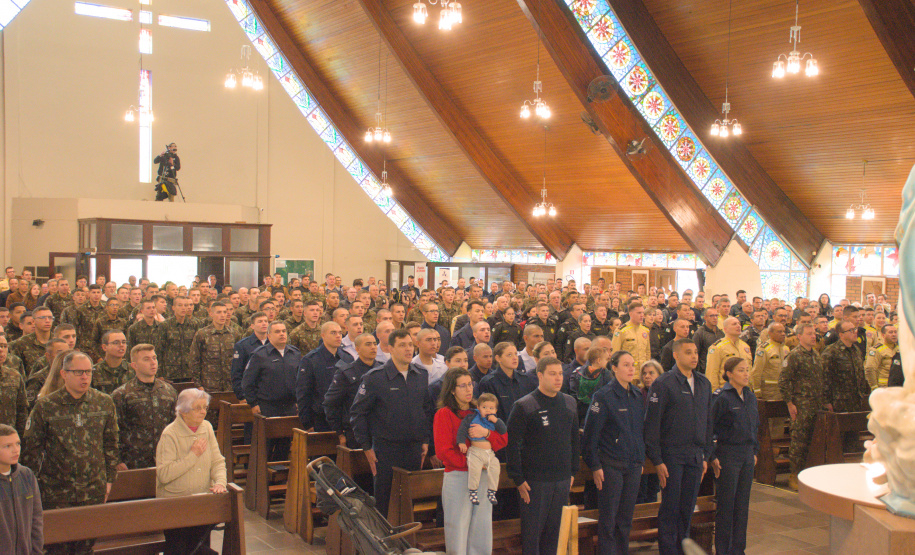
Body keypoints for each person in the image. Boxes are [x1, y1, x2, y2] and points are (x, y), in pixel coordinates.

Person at [21, 351, 118, 555]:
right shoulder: (46, 405)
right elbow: (32, 450)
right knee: (58, 547)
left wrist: (109, 479)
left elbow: (110, 444)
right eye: (79, 372)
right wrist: (35, 487)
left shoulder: (104, 402)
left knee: (87, 545)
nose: (85, 377)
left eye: (88, 372)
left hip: (93, 488)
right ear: (64, 374)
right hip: (57, 491)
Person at [350, 328, 434, 519]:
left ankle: (405, 540)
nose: (408, 349)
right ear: (390, 348)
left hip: (413, 446)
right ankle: (382, 541)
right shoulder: (375, 377)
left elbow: (425, 409)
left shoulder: (420, 374)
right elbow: (358, 413)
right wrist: (366, 446)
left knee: (409, 499)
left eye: (410, 345)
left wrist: (425, 439)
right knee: (384, 499)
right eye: (402, 345)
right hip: (386, 448)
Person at [644, 338, 713, 555]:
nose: (694, 356)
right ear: (676, 355)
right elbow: (652, 424)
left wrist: (705, 456)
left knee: (687, 509)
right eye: (688, 352)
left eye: (695, 352)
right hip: (672, 454)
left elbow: (708, 421)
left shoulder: (703, 383)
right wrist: (657, 459)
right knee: (671, 509)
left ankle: (682, 548)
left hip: (695, 454)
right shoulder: (664, 383)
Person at [506, 356, 579, 555]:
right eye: (552, 374)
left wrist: (573, 471)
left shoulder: (570, 403)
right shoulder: (525, 406)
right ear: (540, 375)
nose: (558, 378)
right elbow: (511, 445)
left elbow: (574, 441)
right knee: (533, 537)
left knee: (556, 536)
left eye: (560, 374)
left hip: (562, 479)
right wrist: (518, 479)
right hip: (535, 482)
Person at [434, 368, 507, 554]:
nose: (469, 389)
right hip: (459, 476)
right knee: (458, 526)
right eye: (463, 385)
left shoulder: (480, 412)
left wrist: (487, 433)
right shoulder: (444, 414)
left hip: (483, 475)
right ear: (452, 389)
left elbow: (501, 441)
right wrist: (472, 463)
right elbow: (443, 452)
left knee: (482, 526)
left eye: (470, 384)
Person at [582, 351, 646, 555]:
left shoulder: (636, 395)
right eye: (625, 365)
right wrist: (595, 465)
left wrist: (640, 458)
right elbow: (591, 435)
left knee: (625, 520)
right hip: (611, 465)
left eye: (632, 364)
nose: (630, 369)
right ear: (614, 368)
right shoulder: (604, 396)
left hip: (633, 464)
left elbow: (639, 431)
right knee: (609, 520)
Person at [156, 388, 227, 554]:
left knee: (200, 548)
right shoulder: (170, 434)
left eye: (205, 407)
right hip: (176, 506)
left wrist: (220, 483)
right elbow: (164, 474)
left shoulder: (207, 427)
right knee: (181, 550)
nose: (203, 412)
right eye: (198, 408)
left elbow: (217, 461)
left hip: (202, 503)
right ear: (183, 411)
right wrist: (193, 455)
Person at [710, 357, 758, 555]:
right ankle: (723, 549)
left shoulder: (750, 395)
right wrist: (712, 455)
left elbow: (755, 425)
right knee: (727, 505)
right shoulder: (722, 397)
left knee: (742, 505)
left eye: (747, 370)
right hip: (728, 453)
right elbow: (709, 427)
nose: (746, 374)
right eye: (741, 370)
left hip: (746, 453)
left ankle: (738, 549)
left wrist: (755, 450)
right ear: (729, 374)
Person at [779, 323, 831, 491]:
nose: (813, 336)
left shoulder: (816, 354)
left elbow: (820, 380)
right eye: (809, 334)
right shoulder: (794, 356)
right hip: (801, 405)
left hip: (816, 405)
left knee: (813, 441)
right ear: (799, 336)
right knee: (799, 442)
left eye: (814, 333)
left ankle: (809, 475)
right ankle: (794, 475)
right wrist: (789, 403)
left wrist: (824, 401)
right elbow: (784, 381)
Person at [111, 344, 177, 469]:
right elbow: (113, 431)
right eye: (146, 359)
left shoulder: (169, 391)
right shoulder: (122, 394)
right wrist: (118, 460)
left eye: (154, 358)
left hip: (166, 459)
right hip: (133, 461)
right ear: (134, 365)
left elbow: (175, 424)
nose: (153, 363)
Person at [324, 333, 381, 446]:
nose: (373, 347)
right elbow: (330, 404)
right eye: (368, 344)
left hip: (379, 432)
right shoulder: (346, 372)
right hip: (355, 433)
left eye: (375, 344)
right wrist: (339, 433)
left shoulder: (382, 370)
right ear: (357, 349)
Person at [296, 321, 353, 431]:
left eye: (340, 333)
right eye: (333, 333)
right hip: (320, 417)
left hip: (343, 417)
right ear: (323, 335)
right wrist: (307, 423)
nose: (338, 336)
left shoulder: (347, 358)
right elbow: (303, 393)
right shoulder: (311, 360)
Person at [455, 392, 507, 505]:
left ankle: (492, 491)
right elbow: (462, 429)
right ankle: (473, 491)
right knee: (474, 470)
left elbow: (503, 431)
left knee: (495, 467)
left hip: (489, 453)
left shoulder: (495, 421)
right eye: (484, 407)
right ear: (478, 407)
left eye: (491, 408)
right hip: (475, 451)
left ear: (496, 410)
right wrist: (461, 442)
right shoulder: (472, 417)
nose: (488, 410)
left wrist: (496, 421)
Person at [0, 424, 43, 555]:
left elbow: (36, 519)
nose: (15, 450)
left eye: (17, 444)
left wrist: (36, 551)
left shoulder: (26, 475)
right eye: (7, 446)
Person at [705, 317, 753, 391]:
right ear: (725, 329)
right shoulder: (718, 347)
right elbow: (712, 373)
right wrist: (714, 393)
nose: (738, 326)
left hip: (744, 390)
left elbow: (749, 369)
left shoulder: (745, 346)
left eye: (739, 324)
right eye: (734, 324)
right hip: (726, 391)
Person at [0, 335, 28, 436]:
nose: (1, 350)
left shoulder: (14, 376)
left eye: (4, 346)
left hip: (8, 436)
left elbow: (22, 410)